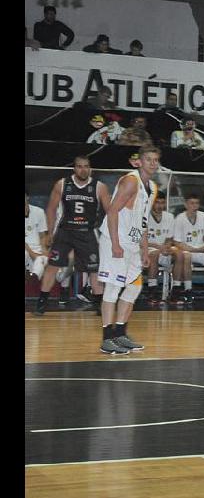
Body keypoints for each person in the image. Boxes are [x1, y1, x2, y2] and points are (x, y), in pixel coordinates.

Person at [95, 146, 160, 353]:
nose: (152, 163)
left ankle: (120, 334)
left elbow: (143, 220)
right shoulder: (131, 181)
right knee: (113, 288)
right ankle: (107, 339)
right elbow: (112, 211)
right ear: (138, 162)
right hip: (117, 240)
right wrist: (115, 243)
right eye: (148, 159)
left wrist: (144, 248)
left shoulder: (152, 187)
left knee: (134, 287)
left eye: (155, 160)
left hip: (132, 244)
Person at [33, 157, 111, 316]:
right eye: (79, 167)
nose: (83, 170)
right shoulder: (62, 184)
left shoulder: (99, 187)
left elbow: (110, 211)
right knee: (52, 266)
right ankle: (41, 303)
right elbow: (51, 209)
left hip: (87, 232)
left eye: (86, 167)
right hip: (65, 232)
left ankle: (98, 303)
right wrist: (49, 232)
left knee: (94, 269)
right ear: (74, 168)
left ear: (90, 168)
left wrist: (110, 235)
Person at [144, 191, 182, 304]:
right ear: (151, 203)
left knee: (179, 253)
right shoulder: (144, 216)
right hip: (147, 249)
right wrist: (158, 247)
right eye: (157, 202)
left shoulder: (169, 217)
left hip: (163, 249)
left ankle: (176, 290)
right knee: (154, 253)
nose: (160, 206)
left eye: (162, 203)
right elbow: (141, 240)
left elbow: (169, 238)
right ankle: (152, 291)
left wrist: (166, 247)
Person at [25, 190, 49, 282]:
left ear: (27, 197)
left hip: (37, 248)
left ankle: (33, 277)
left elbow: (43, 235)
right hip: (26, 249)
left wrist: (44, 250)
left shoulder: (39, 211)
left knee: (42, 259)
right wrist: (32, 253)